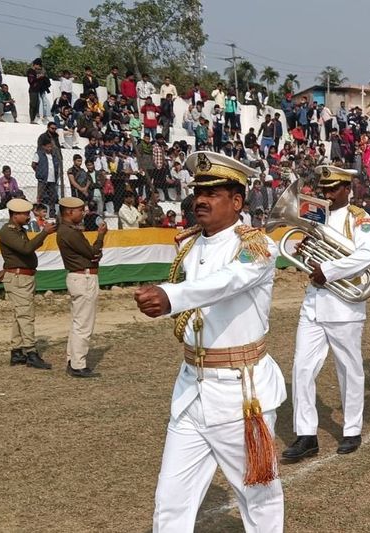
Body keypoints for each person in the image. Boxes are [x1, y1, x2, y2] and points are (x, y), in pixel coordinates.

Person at [133, 151, 285, 531]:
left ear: (237, 202)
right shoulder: (189, 244)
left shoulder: (258, 246)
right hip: (191, 391)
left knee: (259, 499)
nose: (200, 199)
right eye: (198, 191)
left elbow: (226, 282)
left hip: (240, 393)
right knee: (170, 502)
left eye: (213, 193)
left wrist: (172, 296)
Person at [282, 165, 370, 461]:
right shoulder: (316, 214)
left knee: (349, 369)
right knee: (301, 368)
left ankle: (352, 429)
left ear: (347, 189)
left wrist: (329, 268)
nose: (327, 193)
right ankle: (306, 434)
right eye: (324, 188)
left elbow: (366, 256)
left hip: (344, 306)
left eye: (333, 188)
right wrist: (306, 249)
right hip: (314, 302)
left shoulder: (359, 218)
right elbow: (314, 249)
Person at [0, 198, 56, 369]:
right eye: (24, 213)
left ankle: (17, 351)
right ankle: (30, 352)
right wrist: (44, 232)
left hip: (21, 277)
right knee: (25, 315)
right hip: (18, 278)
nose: (28, 216)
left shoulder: (16, 230)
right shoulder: (8, 232)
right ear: (15, 215)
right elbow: (26, 249)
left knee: (19, 315)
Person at [56, 196, 107, 378]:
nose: (83, 213)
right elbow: (92, 253)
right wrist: (100, 237)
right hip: (84, 277)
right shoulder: (70, 232)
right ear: (69, 212)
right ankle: (78, 364)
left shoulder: (66, 230)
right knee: (83, 324)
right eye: (80, 210)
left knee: (78, 321)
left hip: (79, 277)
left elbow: (91, 255)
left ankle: (73, 360)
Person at [32, 138, 61, 217]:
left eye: (51, 147)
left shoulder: (53, 155)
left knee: (52, 197)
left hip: (52, 180)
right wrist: (40, 172)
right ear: (43, 147)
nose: (50, 148)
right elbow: (34, 165)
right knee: (40, 197)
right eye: (48, 147)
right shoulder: (38, 154)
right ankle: (39, 214)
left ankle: (52, 214)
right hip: (43, 179)